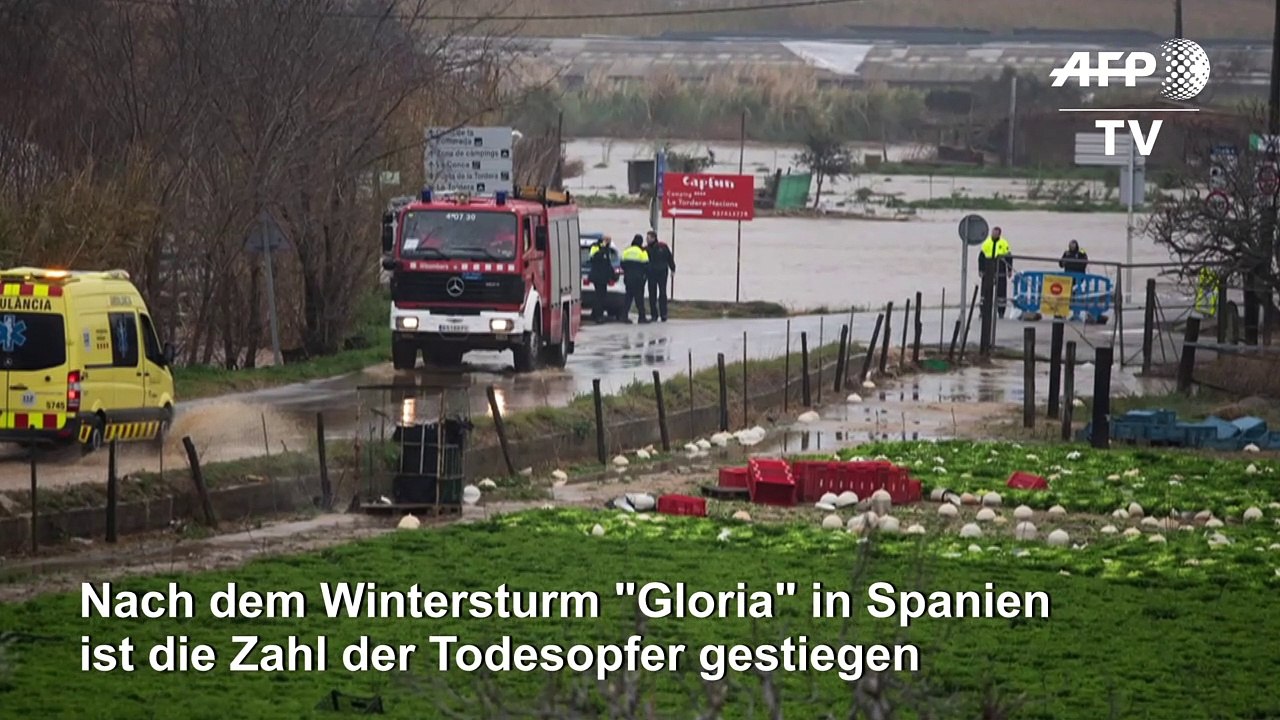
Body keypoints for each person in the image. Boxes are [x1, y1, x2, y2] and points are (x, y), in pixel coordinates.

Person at [978, 226, 1013, 318]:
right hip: (988, 268)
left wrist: (1009, 270)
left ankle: (1001, 311)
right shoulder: (986, 243)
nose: (993, 234)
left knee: (1001, 291)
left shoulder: (1004, 243)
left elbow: (1009, 257)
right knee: (985, 291)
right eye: (993, 232)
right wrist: (980, 270)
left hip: (1000, 268)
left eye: (995, 233)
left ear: (999, 234)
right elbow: (981, 257)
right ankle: (983, 311)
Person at [644, 230, 676, 322]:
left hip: (662, 273)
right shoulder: (646, 249)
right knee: (652, 295)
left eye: (648, 238)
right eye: (647, 238)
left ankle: (664, 314)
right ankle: (654, 314)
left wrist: (672, 269)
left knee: (662, 293)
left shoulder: (663, 246)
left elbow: (669, 258)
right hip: (651, 274)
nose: (647, 239)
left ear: (654, 238)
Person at [620, 234, 650, 324]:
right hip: (639, 279)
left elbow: (622, 264)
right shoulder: (642, 252)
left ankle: (624, 316)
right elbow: (646, 266)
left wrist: (628, 271)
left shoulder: (626, 250)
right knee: (639, 299)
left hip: (628, 278)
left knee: (628, 298)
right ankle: (641, 318)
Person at [1058, 240, 1090, 322]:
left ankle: (1076, 313)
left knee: (1077, 294)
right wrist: (1064, 262)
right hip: (1067, 278)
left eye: (1073, 245)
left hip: (1078, 277)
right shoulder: (1066, 253)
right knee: (1065, 295)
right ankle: (1063, 313)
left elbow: (1085, 262)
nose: (1072, 247)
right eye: (1070, 245)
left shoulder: (1081, 252)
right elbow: (1060, 264)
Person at [588, 236, 615, 323]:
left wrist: (612, 276)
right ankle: (598, 316)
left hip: (603, 277)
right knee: (599, 296)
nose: (609, 242)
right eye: (607, 241)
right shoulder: (595, 247)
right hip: (598, 276)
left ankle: (595, 313)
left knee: (601, 296)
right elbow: (594, 258)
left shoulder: (607, 250)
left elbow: (608, 264)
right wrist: (603, 247)